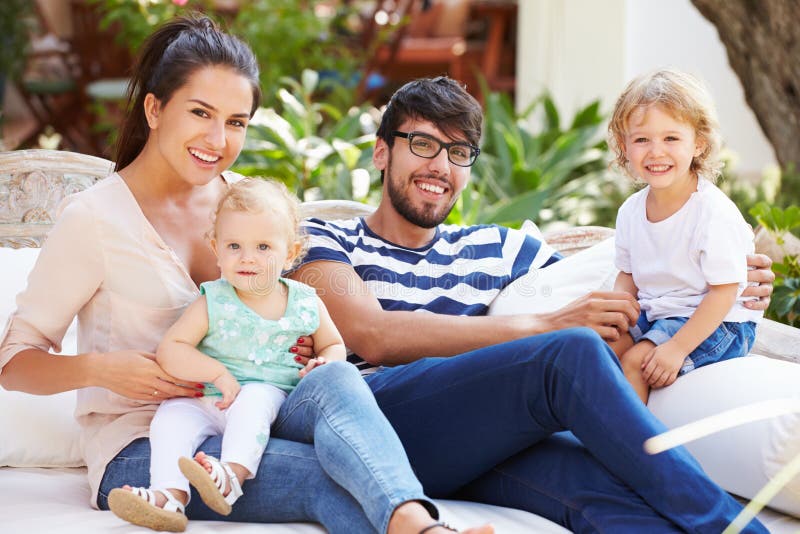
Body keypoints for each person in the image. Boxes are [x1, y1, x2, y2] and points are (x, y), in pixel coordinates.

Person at [0, 17, 491, 534]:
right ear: (155, 109)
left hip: (252, 413)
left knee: (339, 376)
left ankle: (420, 523)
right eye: (201, 113)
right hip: (146, 446)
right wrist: (101, 369)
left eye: (236, 122)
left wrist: (301, 347)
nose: (218, 139)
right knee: (325, 476)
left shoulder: (245, 205)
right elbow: (14, 363)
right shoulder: (95, 219)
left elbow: (285, 306)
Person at [290, 76, 775, 533]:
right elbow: (373, 335)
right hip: (375, 426)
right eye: (422, 144)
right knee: (571, 350)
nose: (440, 165)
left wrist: (731, 278)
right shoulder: (323, 237)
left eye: (457, 152)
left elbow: (623, 286)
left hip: (474, 441)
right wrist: (546, 325)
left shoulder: (499, 248)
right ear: (381, 151)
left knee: (605, 497)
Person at [107, 178, 348, 531]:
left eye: (264, 247)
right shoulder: (213, 299)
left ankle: (231, 477)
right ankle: (169, 496)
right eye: (234, 245)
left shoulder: (305, 301)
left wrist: (324, 362)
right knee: (169, 421)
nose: (248, 257)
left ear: (291, 253)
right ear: (216, 248)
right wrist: (215, 373)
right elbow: (171, 349)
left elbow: (334, 344)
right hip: (206, 397)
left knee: (252, 401)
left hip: (265, 395)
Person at [607, 68, 762, 403]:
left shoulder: (711, 212)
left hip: (718, 322)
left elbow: (724, 292)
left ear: (698, 143)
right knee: (602, 344)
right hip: (660, 311)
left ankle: (631, 449)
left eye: (671, 138)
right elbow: (628, 274)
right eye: (642, 139)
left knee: (636, 362)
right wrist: (618, 313)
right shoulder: (631, 212)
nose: (656, 152)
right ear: (625, 145)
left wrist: (676, 348)